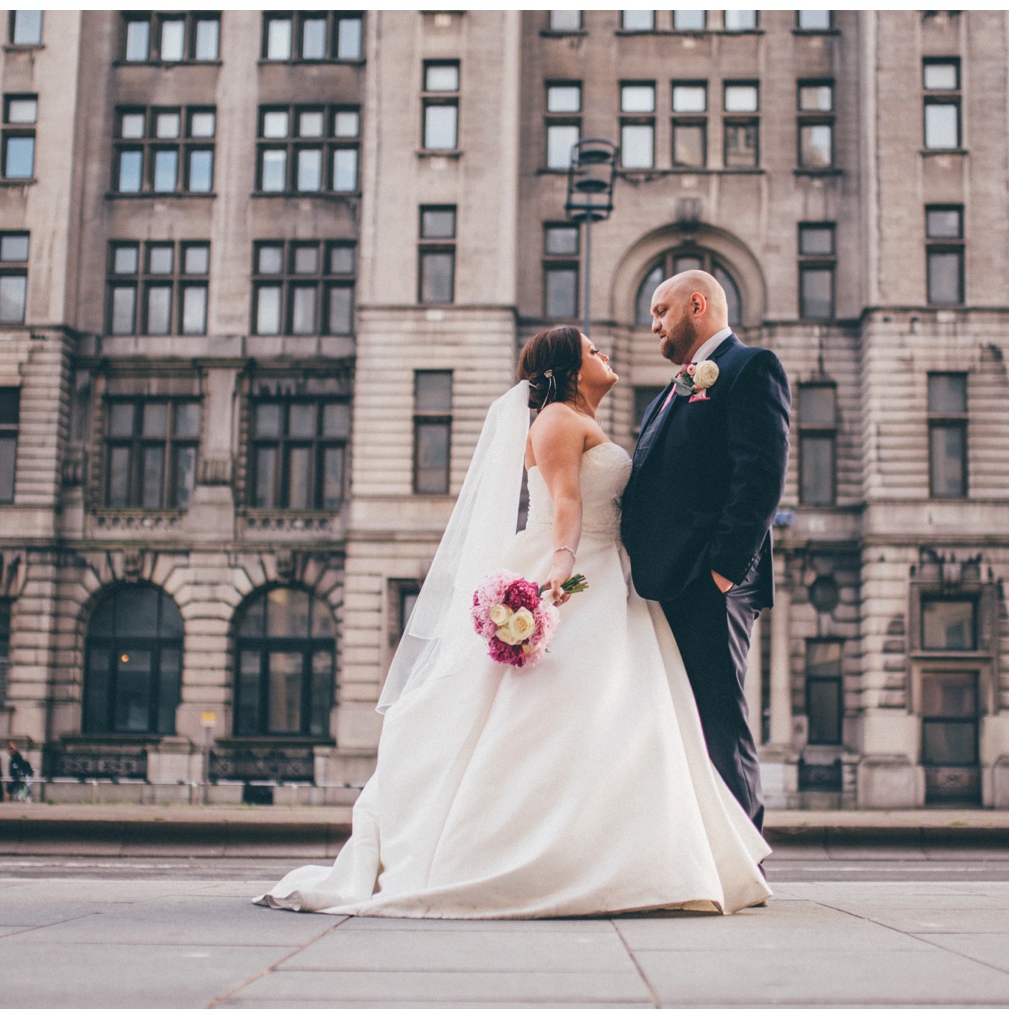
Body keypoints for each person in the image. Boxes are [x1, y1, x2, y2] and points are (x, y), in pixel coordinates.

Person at [254, 325, 770, 919]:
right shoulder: (554, 419)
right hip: (577, 570)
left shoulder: (582, 419)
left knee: (620, 717)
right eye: (592, 350)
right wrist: (564, 565)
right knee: (576, 714)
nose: (605, 353)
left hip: (611, 574)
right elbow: (566, 502)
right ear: (568, 368)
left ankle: (616, 852)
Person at [623, 269, 790, 834]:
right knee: (682, 721)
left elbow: (760, 478)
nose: (653, 327)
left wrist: (721, 570)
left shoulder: (750, 368)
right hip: (669, 582)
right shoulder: (674, 388)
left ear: (697, 305)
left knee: (719, 719)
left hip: (709, 584)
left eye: (661, 312)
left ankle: (744, 854)